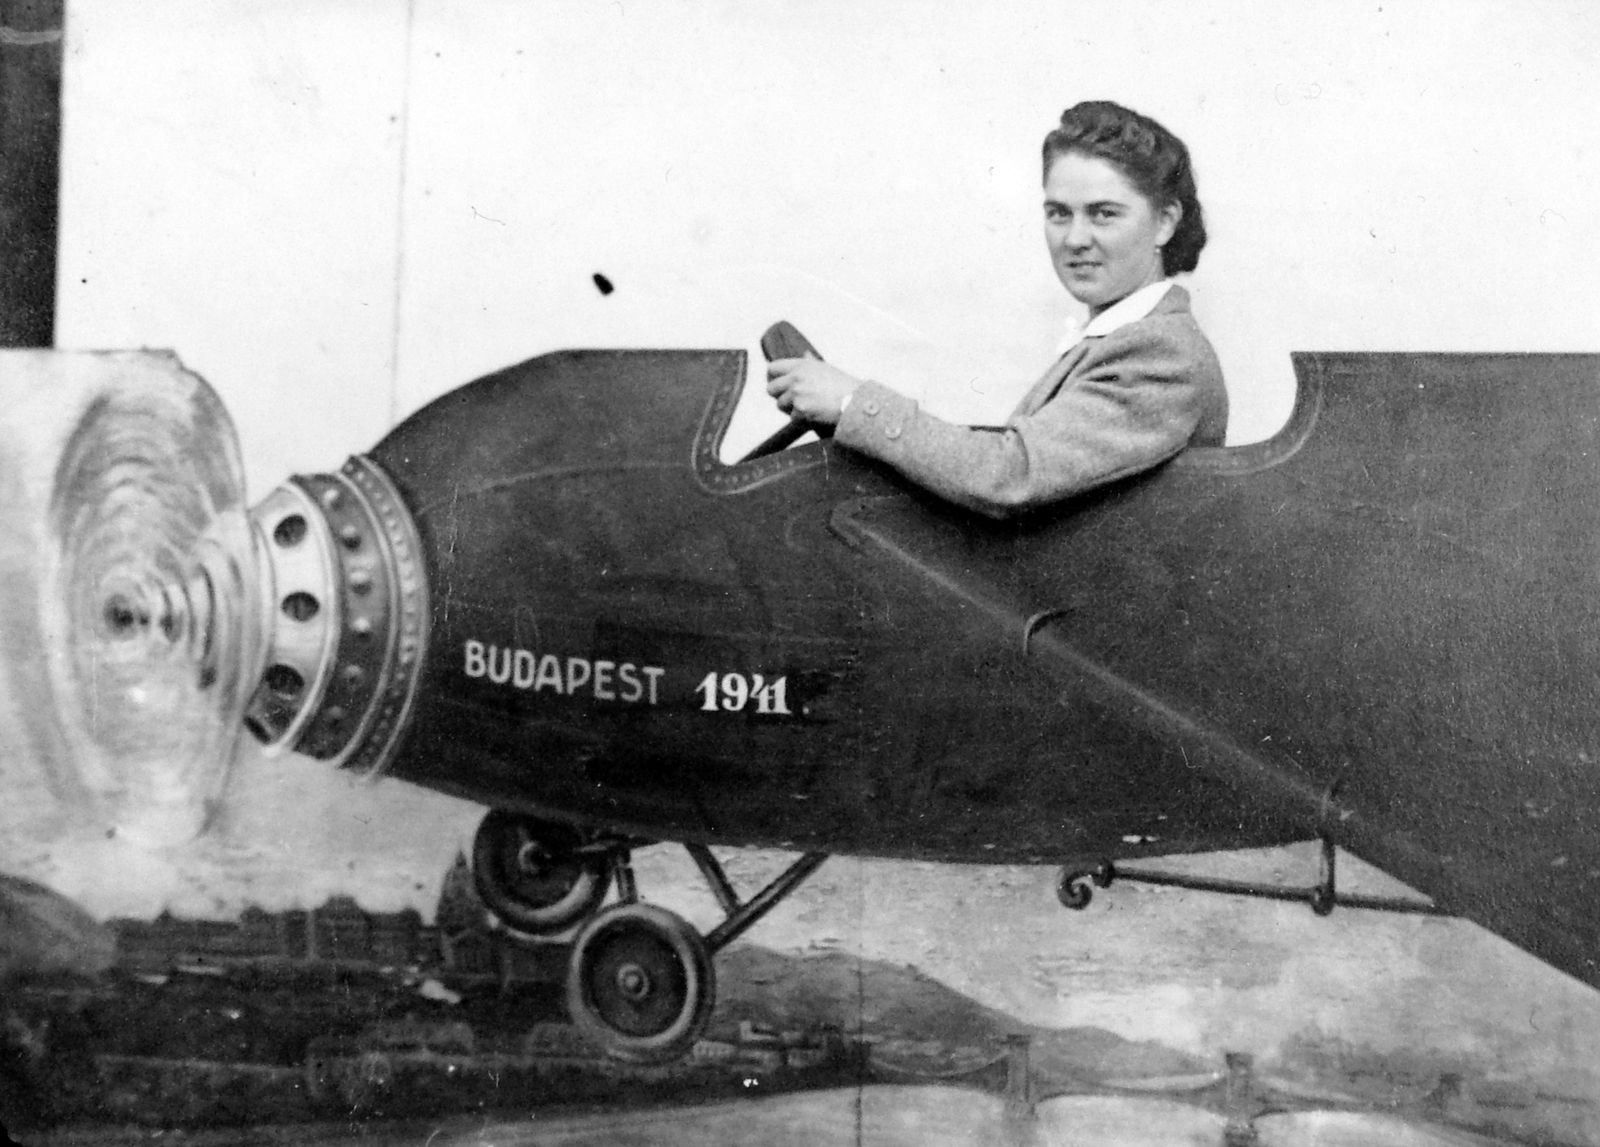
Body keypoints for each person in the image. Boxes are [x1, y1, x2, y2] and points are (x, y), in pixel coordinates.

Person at [765, 100, 1227, 518]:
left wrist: (851, 402)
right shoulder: (1116, 339)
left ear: (1165, 222)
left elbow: (1011, 473)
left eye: (1104, 214)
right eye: (1058, 213)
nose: (1075, 239)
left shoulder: (1160, 351)